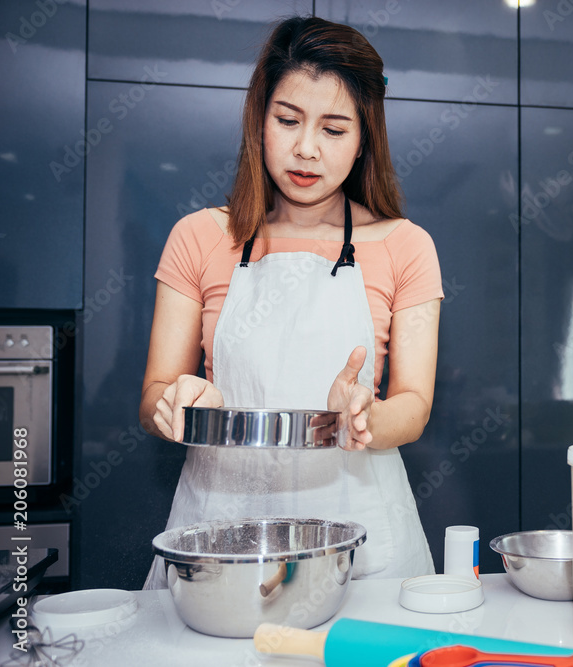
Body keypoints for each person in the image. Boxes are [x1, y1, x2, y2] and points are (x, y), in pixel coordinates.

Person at [139, 16, 441, 589]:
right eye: (288, 120)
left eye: (334, 129)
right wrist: (179, 402)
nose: (306, 150)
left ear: (362, 141)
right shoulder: (199, 236)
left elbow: (415, 405)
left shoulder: (407, 246)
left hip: (362, 535)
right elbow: (154, 395)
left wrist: (364, 417)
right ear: (259, 121)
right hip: (223, 533)